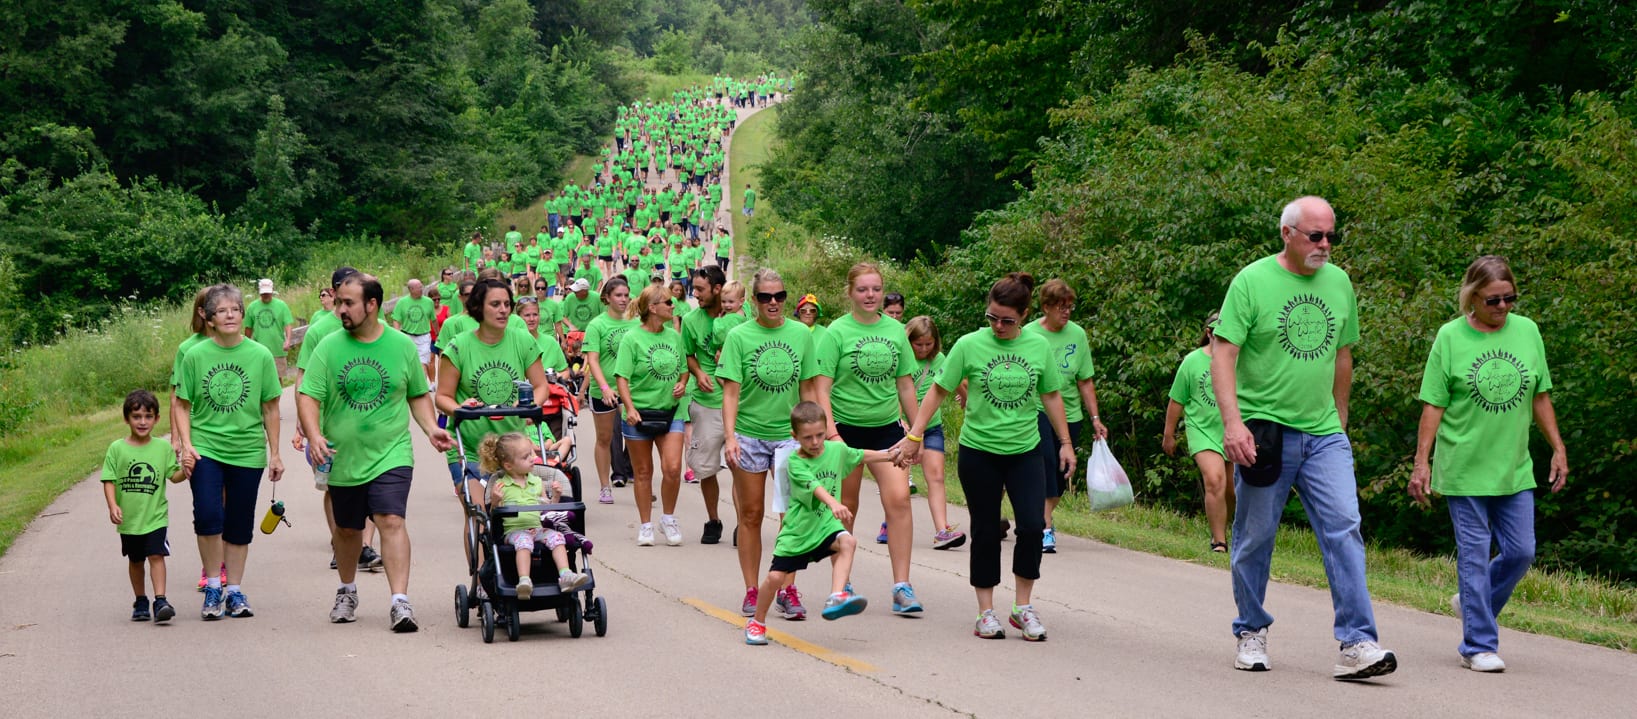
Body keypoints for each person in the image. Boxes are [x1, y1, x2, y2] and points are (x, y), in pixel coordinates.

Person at [1212, 195, 1396, 679]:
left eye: (1331, 235)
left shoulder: (1339, 282)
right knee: (1255, 538)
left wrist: (1340, 420)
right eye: (1316, 235)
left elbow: (1342, 354)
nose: (1326, 244)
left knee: (1345, 529)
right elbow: (1223, 353)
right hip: (1265, 432)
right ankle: (1251, 630)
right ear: (1287, 234)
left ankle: (1358, 643)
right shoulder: (1252, 281)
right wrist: (1233, 424)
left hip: (1323, 435)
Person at [1409, 255, 1567, 673]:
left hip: (1513, 467)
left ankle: (1471, 602)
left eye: (1509, 299)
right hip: (1463, 467)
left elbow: (1540, 395)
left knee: (1521, 552)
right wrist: (1421, 463)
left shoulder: (1528, 331)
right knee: (1474, 557)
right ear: (1472, 298)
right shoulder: (1450, 337)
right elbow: (1433, 404)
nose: (1502, 307)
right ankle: (1478, 644)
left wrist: (1557, 447)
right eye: (1493, 300)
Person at [904, 272, 1073, 641]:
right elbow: (937, 391)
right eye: (992, 317)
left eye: (1007, 320)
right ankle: (985, 612)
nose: (998, 326)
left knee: (1032, 526)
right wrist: (915, 434)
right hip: (979, 450)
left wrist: (1065, 443)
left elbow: (1052, 396)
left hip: (1025, 449)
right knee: (985, 530)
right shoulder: (969, 345)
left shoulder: (1038, 347)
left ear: (1025, 315)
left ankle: (1022, 607)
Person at [298, 274, 455, 632]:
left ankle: (400, 601)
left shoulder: (399, 346)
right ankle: (347, 589)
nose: (340, 309)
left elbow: (417, 392)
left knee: (391, 519)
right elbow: (309, 395)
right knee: (349, 529)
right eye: (338, 302)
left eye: (348, 303)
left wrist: (431, 428)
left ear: (372, 305)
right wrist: (314, 434)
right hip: (343, 454)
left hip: (391, 451)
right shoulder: (329, 346)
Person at [812, 263, 924, 613]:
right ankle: (842, 583)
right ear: (850, 293)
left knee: (900, 500)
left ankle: (902, 587)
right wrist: (831, 433)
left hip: (887, 429)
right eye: (863, 289)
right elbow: (821, 386)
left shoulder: (895, 331)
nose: (870, 295)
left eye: (876, 288)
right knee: (847, 505)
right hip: (844, 430)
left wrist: (916, 432)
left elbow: (905, 383)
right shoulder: (836, 332)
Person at [174, 283, 285, 620]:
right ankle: (212, 586)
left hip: (247, 450)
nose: (230, 315)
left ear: (242, 314)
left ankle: (234, 590)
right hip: (206, 449)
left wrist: (276, 453)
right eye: (221, 311)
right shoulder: (195, 355)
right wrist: (187, 444)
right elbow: (181, 404)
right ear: (208, 318)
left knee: (239, 522)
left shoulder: (260, 355)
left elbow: (270, 407)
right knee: (208, 516)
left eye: (235, 309)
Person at [745, 402, 893, 644]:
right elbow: (814, 487)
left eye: (820, 435)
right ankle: (757, 621)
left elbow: (860, 455)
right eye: (808, 437)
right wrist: (834, 503)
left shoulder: (835, 450)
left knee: (848, 542)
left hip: (825, 525)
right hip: (798, 532)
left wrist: (893, 455)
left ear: (826, 429)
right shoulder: (794, 462)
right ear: (794, 436)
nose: (815, 442)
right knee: (774, 579)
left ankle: (837, 595)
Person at [718, 268, 820, 617]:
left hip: (789, 436)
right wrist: (730, 437)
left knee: (792, 515)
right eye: (765, 297)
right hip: (749, 434)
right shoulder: (739, 336)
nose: (773, 303)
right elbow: (730, 392)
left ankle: (786, 588)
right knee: (750, 514)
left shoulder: (801, 335)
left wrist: (814, 434)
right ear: (754, 301)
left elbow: (808, 387)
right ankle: (751, 589)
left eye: (779, 296)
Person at [1024, 279, 1108, 553]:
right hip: (1036, 409)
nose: (1067, 312)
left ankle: (1040, 518)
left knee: (1062, 470)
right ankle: (1044, 526)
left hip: (1070, 412)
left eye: (1070, 307)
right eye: (1061, 307)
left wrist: (1095, 419)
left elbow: (1085, 380)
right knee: (1047, 461)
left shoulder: (1078, 335)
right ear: (1046, 307)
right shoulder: (1028, 334)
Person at [103, 389, 187, 623]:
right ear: (126, 418)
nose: (142, 422)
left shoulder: (162, 449)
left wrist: (188, 470)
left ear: (157, 419)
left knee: (157, 555)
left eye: (148, 416)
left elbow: (174, 475)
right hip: (130, 519)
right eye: (137, 416)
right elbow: (109, 479)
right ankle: (140, 600)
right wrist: (112, 506)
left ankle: (160, 600)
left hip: (155, 516)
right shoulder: (117, 449)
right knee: (135, 560)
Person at [615, 284, 689, 546]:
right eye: (668, 302)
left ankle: (667, 518)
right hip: (639, 414)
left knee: (672, 468)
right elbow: (622, 378)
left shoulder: (674, 336)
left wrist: (682, 383)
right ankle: (646, 525)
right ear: (653, 308)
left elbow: (683, 368)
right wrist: (630, 408)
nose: (673, 306)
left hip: (671, 411)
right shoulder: (632, 338)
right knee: (643, 472)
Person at [480, 432, 590, 600]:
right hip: (514, 531)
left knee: (557, 538)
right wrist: (495, 501)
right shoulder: (501, 485)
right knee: (524, 542)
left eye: (532, 453)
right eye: (526, 457)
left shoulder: (537, 482)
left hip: (537, 528)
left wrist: (555, 497)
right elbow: (495, 515)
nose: (533, 458)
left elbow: (546, 509)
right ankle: (524, 580)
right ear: (509, 466)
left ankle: (565, 575)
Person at [681, 266, 744, 544]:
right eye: (694, 289)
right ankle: (713, 519)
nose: (695, 295)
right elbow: (688, 355)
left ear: (717, 289)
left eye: (700, 289)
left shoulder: (742, 315)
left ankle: (743, 525)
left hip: (740, 403)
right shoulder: (690, 320)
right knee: (706, 468)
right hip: (706, 402)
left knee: (741, 469)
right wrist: (699, 373)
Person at [1163, 314, 1234, 552]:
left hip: (1232, 430)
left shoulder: (1238, 359)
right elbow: (1176, 400)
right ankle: (1219, 540)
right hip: (1202, 430)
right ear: (1209, 333)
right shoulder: (1192, 361)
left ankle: (1229, 525)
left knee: (1233, 488)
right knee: (1214, 480)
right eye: (1217, 333)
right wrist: (1168, 435)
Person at [904, 316, 965, 549]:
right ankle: (890, 524)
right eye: (918, 344)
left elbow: (955, 378)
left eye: (928, 344)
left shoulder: (939, 358)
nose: (923, 349)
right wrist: (910, 432)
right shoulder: (903, 360)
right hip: (904, 427)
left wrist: (966, 397)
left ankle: (942, 530)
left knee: (936, 476)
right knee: (899, 486)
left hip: (932, 426)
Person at [583, 278, 639, 504]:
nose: (623, 299)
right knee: (605, 438)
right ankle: (605, 486)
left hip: (632, 389)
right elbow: (593, 360)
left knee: (638, 439)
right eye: (618, 295)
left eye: (626, 295)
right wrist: (605, 388)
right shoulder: (598, 325)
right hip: (604, 390)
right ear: (606, 298)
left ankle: (640, 482)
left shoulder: (635, 323)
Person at [246, 279, 295, 375]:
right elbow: (248, 328)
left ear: (272, 290)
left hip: (277, 349)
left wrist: (288, 340)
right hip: (258, 349)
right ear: (259, 292)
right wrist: (246, 345)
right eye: (263, 293)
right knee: (259, 376)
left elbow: (288, 324)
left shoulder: (281, 305)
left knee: (277, 377)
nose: (266, 295)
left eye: (268, 293)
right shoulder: (252, 307)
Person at [391, 279, 437, 382]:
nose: (422, 289)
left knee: (423, 363)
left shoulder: (428, 302)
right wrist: (397, 335)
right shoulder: (402, 302)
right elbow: (396, 320)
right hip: (407, 336)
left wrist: (437, 334)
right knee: (409, 363)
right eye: (419, 287)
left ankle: (421, 387)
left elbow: (434, 320)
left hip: (424, 336)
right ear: (411, 289)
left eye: (422, 286)